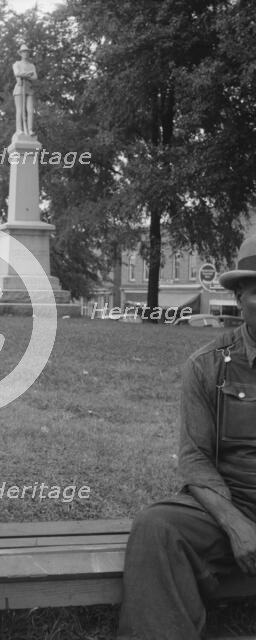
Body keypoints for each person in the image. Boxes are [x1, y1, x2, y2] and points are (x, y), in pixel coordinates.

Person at [118, 234, 256, 640]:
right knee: (157, 527)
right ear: (238, 295)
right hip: (233, 501)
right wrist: (236, 525)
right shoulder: (208, 365)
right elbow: (195, 459)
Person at [13, 43, 37, 135]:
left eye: (26, 52)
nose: (25, 54)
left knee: (30, 111)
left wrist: (24, 75)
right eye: (23, 52)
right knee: (20, 110)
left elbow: (35, 77)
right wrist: (27, 74)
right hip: (19, 88)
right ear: (20, 53)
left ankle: (30, 130)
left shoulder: (32, 65)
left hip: (29, 89)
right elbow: (17, 73)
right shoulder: (17, 64)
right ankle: (19, 129)